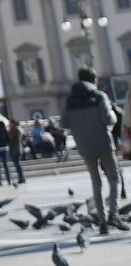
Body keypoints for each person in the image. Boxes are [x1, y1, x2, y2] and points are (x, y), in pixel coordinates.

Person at [60, 67, 126, 231]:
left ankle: (102, 221)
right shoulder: (99, 96)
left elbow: (63, 123)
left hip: (83, 145)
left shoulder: (70, 100)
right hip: (103, 143)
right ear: (94, 81)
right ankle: (113, 215)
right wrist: (112, 115)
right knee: (114, 178)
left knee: (96, 183)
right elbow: (108, 118)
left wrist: (77, 126)